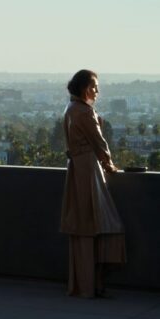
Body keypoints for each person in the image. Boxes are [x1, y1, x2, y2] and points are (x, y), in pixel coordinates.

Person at [59, 69, 126, 297]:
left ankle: (85, 284)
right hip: (89, 172)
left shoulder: (70, 109)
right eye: (95, 87)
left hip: (77, 171)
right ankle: (95, 283)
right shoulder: (84, 113)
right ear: (86, 88)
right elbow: (100, 143)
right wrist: (109, 165)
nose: (97, 92)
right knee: (105, 226)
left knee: (83, 229)